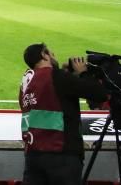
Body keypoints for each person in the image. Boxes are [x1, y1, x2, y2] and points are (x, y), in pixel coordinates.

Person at [19, 43, 107, 185]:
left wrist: (67, 75)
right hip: (62, 154)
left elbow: (51, 96)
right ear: (43, 55)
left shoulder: (26, 82)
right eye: (51, 53)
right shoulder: (58, 77)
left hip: (33, 155)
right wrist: (83, 73)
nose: (54, 55)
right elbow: (100, 94)